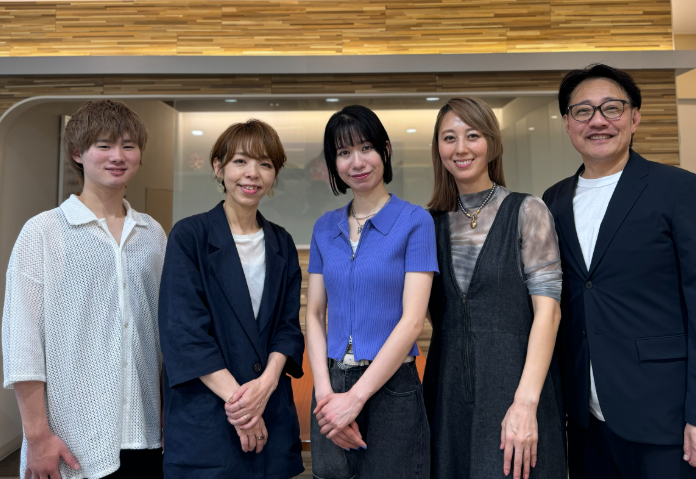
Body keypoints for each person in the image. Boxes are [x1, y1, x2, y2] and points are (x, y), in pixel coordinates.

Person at [543, 64, 696, 478]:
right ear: (567, 124)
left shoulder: (678, 189)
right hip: (586, 421)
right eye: (583, 111)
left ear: (635, 117)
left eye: (611, 108)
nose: (598, 121)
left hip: (665, 418)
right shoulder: (552, 201)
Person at [2, 100, 167, 479]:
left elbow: (162, 334)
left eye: (128, 146)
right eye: (104, 145)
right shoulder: (43, 231)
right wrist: (37, 435)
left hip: (145, 434)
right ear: (78, 153)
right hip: (69, 437)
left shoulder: (152, 234)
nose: (118, 156)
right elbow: (22, 341)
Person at [423, 97, 566, 479]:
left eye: (473, 135)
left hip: (517, 387)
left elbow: (549, 313)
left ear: (492, 142)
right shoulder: (427, 224)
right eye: (449, 138)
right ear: (438, 148)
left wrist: (525, 403)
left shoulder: (527, 210)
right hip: (447, 393)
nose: (461, 148)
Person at [158, 119, 305, 479]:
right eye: (240, 161)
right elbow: (186, 334)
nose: (252, 173)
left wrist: (265, 387)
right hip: (209, 421)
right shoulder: (189, 236)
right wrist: (244, 409)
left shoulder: (282, 242)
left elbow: (288, 328)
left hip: (271, 414)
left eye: (265, 164)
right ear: (218, 167)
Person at [305, 105, 438, 479]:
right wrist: (326, 396)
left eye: (366, 147)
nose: (357, 162)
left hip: (392, 386)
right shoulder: (324, 227)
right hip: (332, 385)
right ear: (334, 164)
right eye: (344, 152)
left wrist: (356, 398)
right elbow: (313, 314)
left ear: (386, 150)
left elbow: (413, 321)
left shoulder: (415, 221)